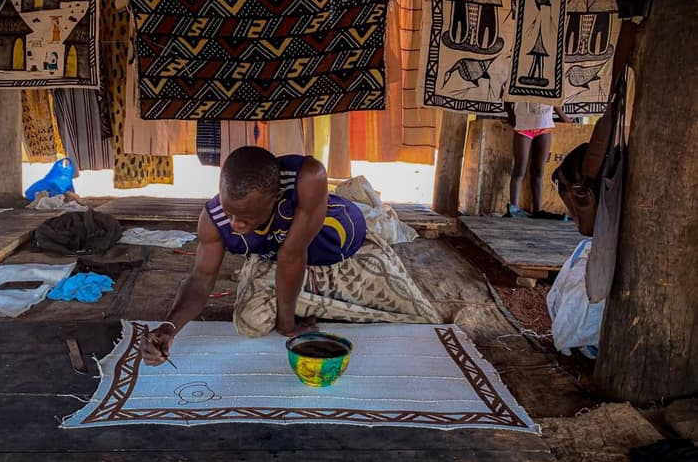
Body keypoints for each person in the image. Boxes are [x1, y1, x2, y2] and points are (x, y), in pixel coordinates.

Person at [140, 146, 442, 366]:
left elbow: (292, 256)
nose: (234, 224)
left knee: (422, 318)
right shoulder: (213, 218)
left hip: (345, 249)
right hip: (278, 258)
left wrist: (286, 325)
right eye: (229, 212)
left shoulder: (307, 177)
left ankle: (313, 301)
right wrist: (169, 327)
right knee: (250, 323)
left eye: (245, 218)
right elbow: (201, 278)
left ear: (274, 199)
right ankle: (320, 303)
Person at [504, 101, 571, 219]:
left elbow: (555, 99)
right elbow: (506, 96)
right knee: (520, 169)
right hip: (524, 127)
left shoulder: (552, 87)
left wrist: (565, 119)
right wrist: (512, 116)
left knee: (538, 171)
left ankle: (537, 210)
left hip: (544, 127)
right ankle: (514, 208)